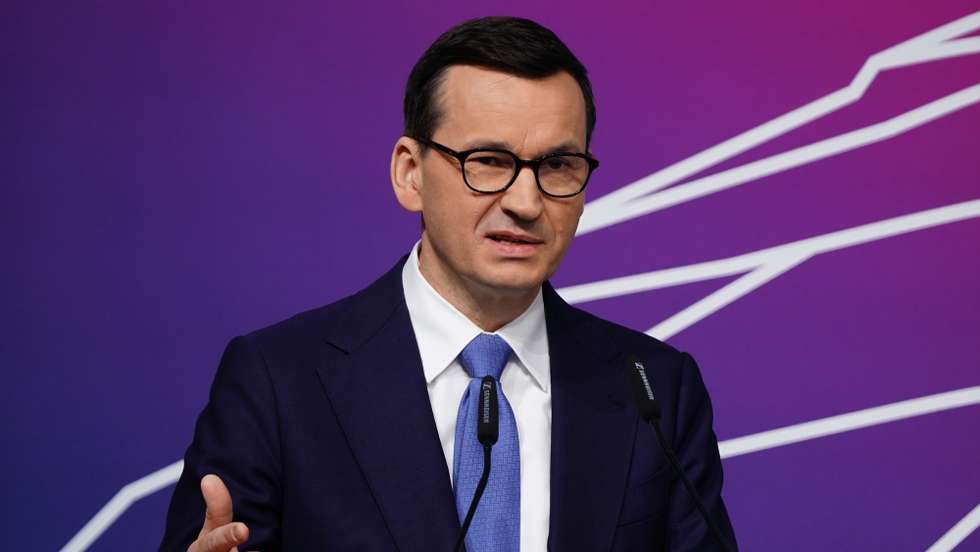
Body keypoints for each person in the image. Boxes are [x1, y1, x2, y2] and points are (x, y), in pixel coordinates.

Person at [160, 16, 737, 552]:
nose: (527, 202)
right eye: (488, 160)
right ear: (410, 174)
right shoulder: (278, 381)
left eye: (558, 165)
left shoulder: (656, 391)